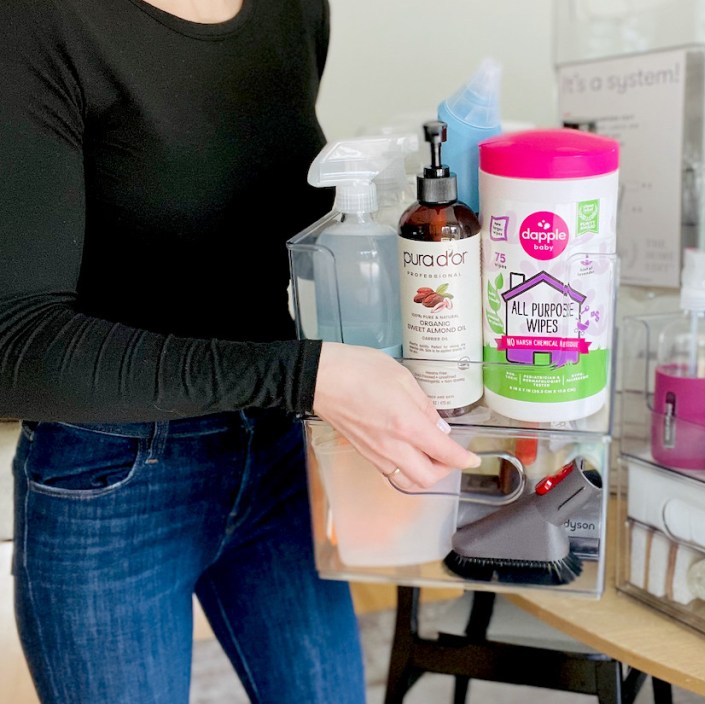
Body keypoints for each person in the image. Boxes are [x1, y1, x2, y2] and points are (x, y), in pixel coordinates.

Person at [0, 1, 480, 702]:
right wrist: (310, 375)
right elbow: (16, 347)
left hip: (279, 446)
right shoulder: (38, 21)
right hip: (111, 478)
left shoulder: (295, 11)